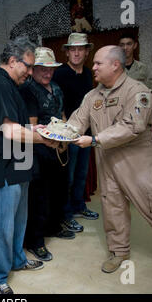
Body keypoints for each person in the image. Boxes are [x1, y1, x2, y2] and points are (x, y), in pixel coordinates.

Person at [68, 45, 152, 277]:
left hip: (137, 159)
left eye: (97, 63)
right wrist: (58, 134)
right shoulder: (92, 95)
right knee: (112, 205)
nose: (92, 67)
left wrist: (95, 139)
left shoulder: (138, 92)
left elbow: (132, 127)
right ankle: (119, 251)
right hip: (106, 158)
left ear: (115, 65)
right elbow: (77, 121)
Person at [0, 36, 58, 294]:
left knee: (19, 220)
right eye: (29, 65)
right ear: (12, 61)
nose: (31, 72)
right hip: (3, 167)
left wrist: (38, 128)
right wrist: (45, 138)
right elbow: (10, 132)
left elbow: (19, 125)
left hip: (19, 166)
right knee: (3, 225)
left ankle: (17, 260)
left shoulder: (12, 85)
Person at [19, 47, 75, 262]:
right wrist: (53, 139)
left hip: (59, 149)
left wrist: (66, 137)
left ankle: (54, 226)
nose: (47, 73)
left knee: (60, 191)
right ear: (33, 69)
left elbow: (62, 116)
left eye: (50, 69)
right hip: (39, 151)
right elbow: (32, 126)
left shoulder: (57, 88)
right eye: (42, 68)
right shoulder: (28, 90)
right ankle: (36, 241)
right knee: (39, 197)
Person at [52, 33, 99, 234]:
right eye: (73, 49)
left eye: (81, 49)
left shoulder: (89, 74)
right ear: (67, 52)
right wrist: (64, 132)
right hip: (68, 134)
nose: (77, 52)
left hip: (86, 133)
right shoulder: (59, 74)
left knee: (81, 174)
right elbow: (56, 104)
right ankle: (66, 214)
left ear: (87, 52)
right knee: (68, 177)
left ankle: (79, 206)